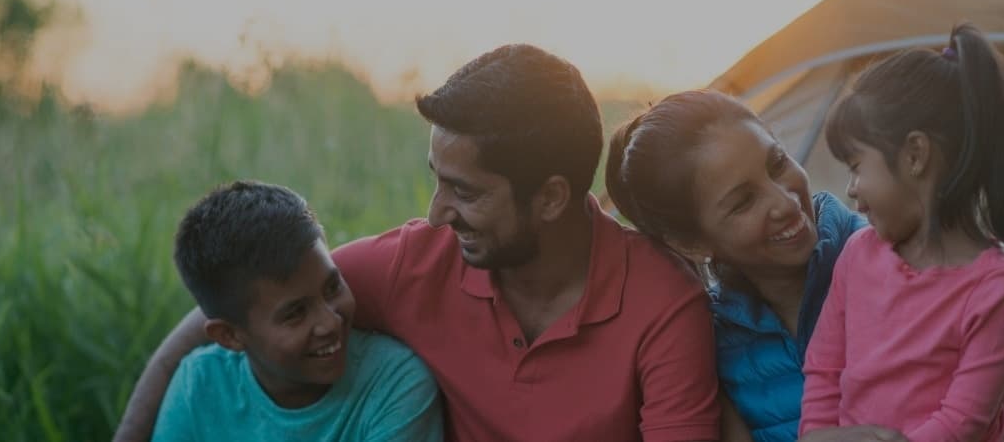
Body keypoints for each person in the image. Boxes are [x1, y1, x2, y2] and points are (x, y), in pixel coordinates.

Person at [113, 44, 721, 442]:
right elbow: (243, 306)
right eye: (437, 180)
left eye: (465, 192)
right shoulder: (415, 262)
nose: (436, 213)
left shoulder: (664, 304)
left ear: (552, 197)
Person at [604, 91, 1004, 440]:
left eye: (777, 162)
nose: (783, 201)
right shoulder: (715, 340)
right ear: (693, 242)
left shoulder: (921, 260)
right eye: (742, 203)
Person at [799, 23, 1004, 441]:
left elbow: (962, 423)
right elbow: (824, 368)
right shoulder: (858, 254)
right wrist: (817, 436)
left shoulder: (996, 291)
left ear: (915, 155)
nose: (852, 190)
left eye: (857, 166)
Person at [154, 180, 442, 441]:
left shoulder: (395, 384)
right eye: (295, 313)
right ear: (229, 335)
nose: (330, 323)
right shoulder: (198, 386)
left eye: (332, 288)